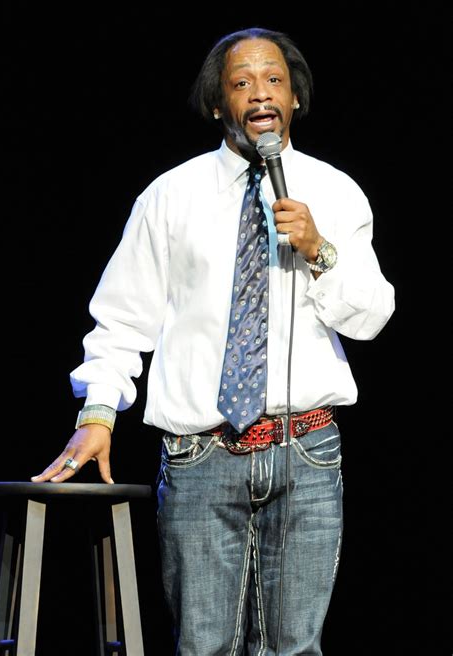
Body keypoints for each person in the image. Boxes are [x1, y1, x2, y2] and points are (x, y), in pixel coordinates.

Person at [32, 27, 395, 655]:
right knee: (202, 647)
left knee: (295, 650)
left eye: (275, 80)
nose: (261, 94)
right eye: (242, 82)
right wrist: (97, 414)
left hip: (306, 451)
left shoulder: (334, 192)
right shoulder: (170, 196)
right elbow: (122, 319)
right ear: (218, 103)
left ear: (296, 99)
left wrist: (318, 248)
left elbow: (371, 315)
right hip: (201, 455)